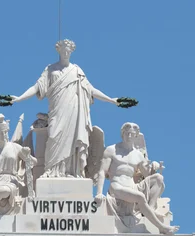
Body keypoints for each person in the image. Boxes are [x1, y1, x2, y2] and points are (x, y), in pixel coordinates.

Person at [10, 39, 118, 178]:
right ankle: (51, 170)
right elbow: (37, 87)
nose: (66, 52)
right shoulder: (50, 69)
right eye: (63, 50)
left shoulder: (77, 70)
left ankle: (72, 171)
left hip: (74, 111)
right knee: (54, 136)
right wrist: (19, 98)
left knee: (74, 140)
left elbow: (91, 90)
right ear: (58, 51)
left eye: (68, 50)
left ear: (72, 51)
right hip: (57, 110)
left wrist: (110, 100)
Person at [95, 122, 179, 234]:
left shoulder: (138, 155)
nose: (129, 136)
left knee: (158, 178)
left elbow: (147, 174)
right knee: (140, 197)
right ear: (122, 134)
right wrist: (99, 193)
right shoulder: (112, 150)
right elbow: (102, 171)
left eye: (131, 134)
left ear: (136, 136)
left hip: (132, 186)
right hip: (117, 187)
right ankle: (161, 227)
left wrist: (154, 166)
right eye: (126, 133)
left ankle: (151, 209)